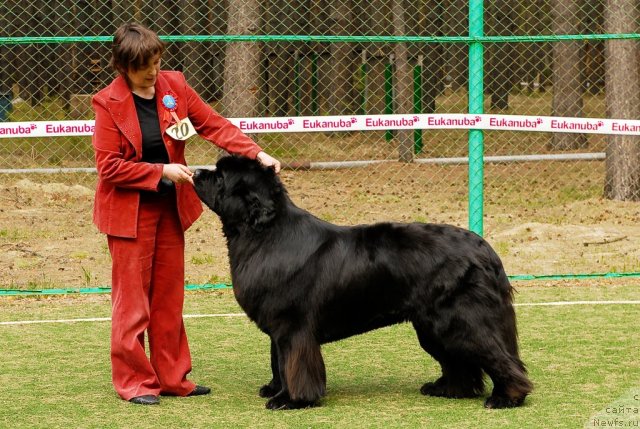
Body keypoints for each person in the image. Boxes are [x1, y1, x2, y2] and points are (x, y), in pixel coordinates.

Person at [91, 22, 281, 406]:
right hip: (129, 213)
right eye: (145, 65)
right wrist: (160, 171)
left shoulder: (174, 86)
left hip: (170, 209)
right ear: (124, 65)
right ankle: (135, 382)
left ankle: (173, 378)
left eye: (157, 61)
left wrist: (256, 153)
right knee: (132, 302)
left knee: (168, 298)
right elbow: (108, 166)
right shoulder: (107, 103)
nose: (154, 71)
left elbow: (213, 125)